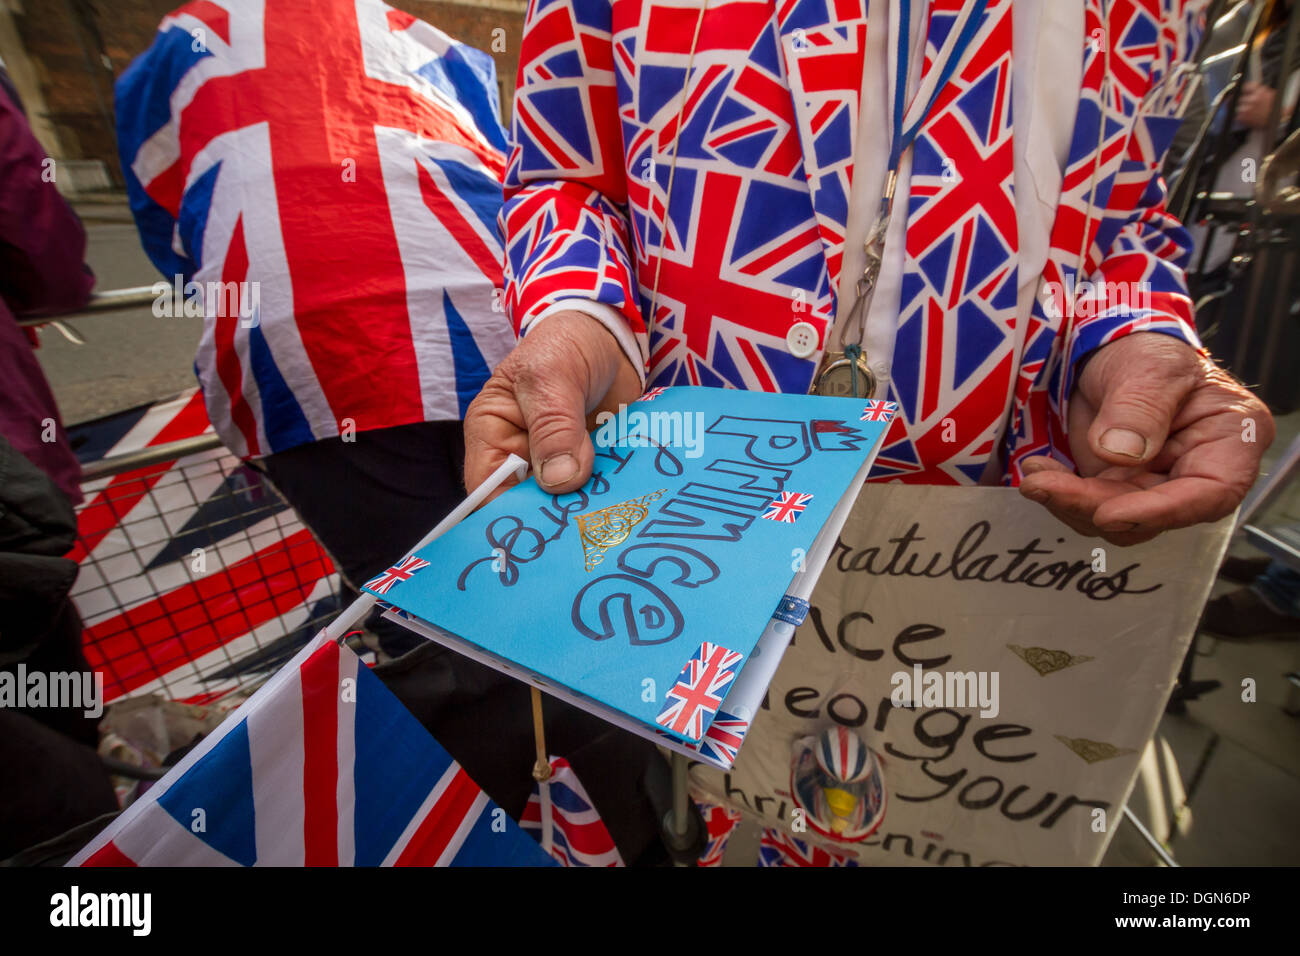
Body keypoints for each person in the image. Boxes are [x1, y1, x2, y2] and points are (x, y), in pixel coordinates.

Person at [470, 0, 1276, 865]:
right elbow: (567, 177)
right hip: (672, 536)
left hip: (979, 574)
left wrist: (1135, 334)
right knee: (647, 828)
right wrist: (581, 313)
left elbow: (1126, 226)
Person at [114, 0, 518, 657]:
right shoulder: (434, 42)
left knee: (430, 617)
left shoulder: (187, 37)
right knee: (533, 570)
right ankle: (587, 737)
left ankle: (468, 735)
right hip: (491, 309)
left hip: (303, 338)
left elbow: (166, 216)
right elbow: (508, 171)